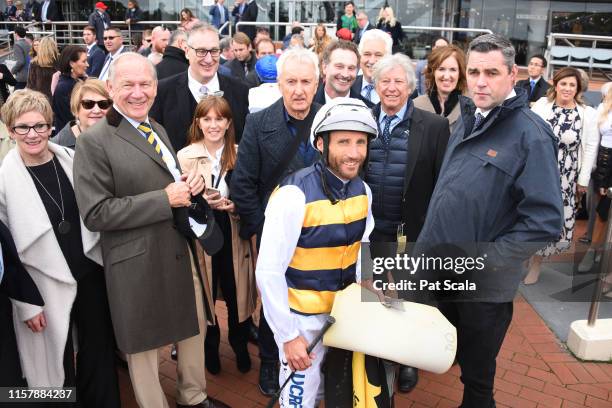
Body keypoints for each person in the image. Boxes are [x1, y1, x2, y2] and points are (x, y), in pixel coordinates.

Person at [73, 52, 229, 408]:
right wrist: (164, 199)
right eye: (128, 84)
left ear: (156, 88)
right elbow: (96, 213)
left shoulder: (155, 128)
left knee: (193, 327)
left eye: (145, 84)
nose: (138, 92)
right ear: (111, 88)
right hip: (134, 259)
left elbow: (165, 180)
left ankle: (194, 396)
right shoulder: (93, 142)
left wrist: (187, 182)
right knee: (142, 346)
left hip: (176, 248)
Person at [416, 33, 563, 408]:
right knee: (440, 348)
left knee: (477, 379)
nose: (481, 81)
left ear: (512, 75)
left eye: (492, 72)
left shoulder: (531, 134)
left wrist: (485, 261)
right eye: (475, 71)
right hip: (441, 266)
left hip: (482, 283)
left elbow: (545, 221)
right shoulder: (468, 118)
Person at [0, 89, 120, 406]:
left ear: (51, 126)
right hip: (43, 287)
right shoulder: (4, 181)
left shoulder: (70, 158)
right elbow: (7, 254)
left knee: (99, 352)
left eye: (40, 125)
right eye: (22, 127)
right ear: (10, 130)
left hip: (89, 272)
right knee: (54, 365)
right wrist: (27, 305)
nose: (32, 134)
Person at [256, 97, 376, 408]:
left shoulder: (364, 191)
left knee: (335, 395)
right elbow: (267, 272)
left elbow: (364, 245)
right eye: (344, 142)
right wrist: (287, 337)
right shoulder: (293, 195)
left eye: (360, 142)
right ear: (321, 144)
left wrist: (368, 284)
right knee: (299, 403)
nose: (353, 153)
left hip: (341, 318)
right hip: (302, 324)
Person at [232, 47, 321, 397]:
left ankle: (315, 357)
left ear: (317, 84)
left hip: (319, 232)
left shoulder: (329, 118)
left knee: (314, 300)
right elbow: (243, 183)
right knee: (275, 300)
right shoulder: (258, 122)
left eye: (306, 82)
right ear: (278, 84)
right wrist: (261, 230)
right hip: (276, 235)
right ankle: (270, 362)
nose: (298, 90)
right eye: (291, 82)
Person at [364, 53, 450, 395]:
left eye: (399, 81)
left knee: (411, 296)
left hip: (410, 230)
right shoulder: (363, 120)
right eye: (385, 81)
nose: (391, 87)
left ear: (410, 88)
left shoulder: (434, 126)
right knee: (375, 295)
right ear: (375, 85)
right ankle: (378, 352)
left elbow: (442, 181)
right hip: (371, 229)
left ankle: (409, 360)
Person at [177, 96, 257, 376]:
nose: (213, 125)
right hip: (204, 232)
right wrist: (201, 203)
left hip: (234, 229)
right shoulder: (185, 156)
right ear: (198, 122)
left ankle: (239, 344)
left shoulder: (240, 152)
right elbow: (180, 199)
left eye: (219, 119)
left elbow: (250, 194)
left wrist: (235, 206)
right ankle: (211, 349)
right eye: (207, 119)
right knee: (206, 293)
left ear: (228, 123)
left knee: (238, 292)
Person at [525, 67, 599, 284]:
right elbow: (527, 137)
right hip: (538, 172)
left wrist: (583, 181)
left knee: (552, 219)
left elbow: (591, 148)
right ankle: (524, 254)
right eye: (563, 83)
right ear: (555, 85)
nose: (567, 88)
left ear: (578, 89)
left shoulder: (587, 114)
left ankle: (536, 263)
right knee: (530, 215)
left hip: (566, 178)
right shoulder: (541, 106)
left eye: (572, 85)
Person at [151, 24, 249, 151]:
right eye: (201, 51)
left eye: (214, 51)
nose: (208, 59)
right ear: (186, 52)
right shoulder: (163, 91)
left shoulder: (240, 91)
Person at [414, 45, 467, 133]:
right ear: (433, 72)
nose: (446, 76)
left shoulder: (471, 107)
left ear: (460, 73)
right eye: (441, 69)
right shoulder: (416, 106)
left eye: (453, 70)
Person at [52, 79, 111, 148]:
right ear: (76, 109)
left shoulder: (121, 138)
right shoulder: (55, 147)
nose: (97, 110)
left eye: (103, 104)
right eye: (88, 104)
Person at [351, 28, 392, 106]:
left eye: (378, 55)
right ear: (360, 57)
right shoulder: (348, 86)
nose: (372, 61)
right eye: (367, 54)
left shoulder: (403, 92)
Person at [52, 45, 88, 133]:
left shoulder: (80, 81)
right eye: (84, 61)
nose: (87, 64)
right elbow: (70, 120)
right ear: (72, 63)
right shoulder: (64, 88)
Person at [313, 40, 361, 105]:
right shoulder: (307, 105)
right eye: (339, 66)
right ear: (324, 67)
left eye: (351, 68)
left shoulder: (367, 109)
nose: (345, 74)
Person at [26, 36, 58, 101]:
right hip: (54, 99)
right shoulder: (60, 61)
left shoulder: (34, 63)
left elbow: (30, 84)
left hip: (40, 99)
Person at [11, 26, 30, 90]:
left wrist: (12, 71)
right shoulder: (28, 43)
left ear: (16, 34)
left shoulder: (17, 45)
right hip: (29, 74)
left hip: (22, 77)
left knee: (16, 98)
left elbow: (20, 62)